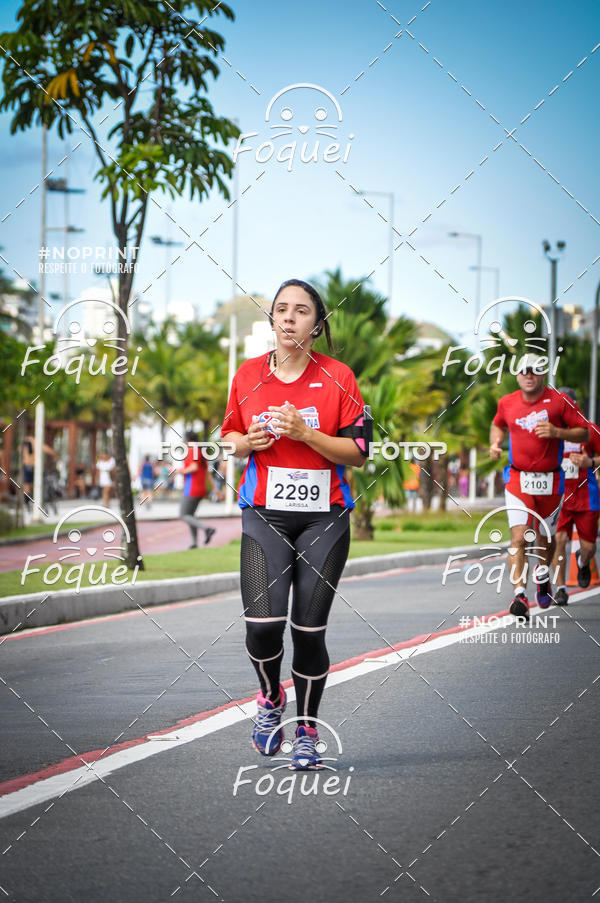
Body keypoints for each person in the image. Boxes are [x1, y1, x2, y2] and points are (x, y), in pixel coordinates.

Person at [221, 278, 371, 770]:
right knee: (263, 627)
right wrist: (246, 443)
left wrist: (307, 434)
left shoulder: (339, 378)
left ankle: (306, 730)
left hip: (324, 516)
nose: (289, 318)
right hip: (264, 512)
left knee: (308, 631)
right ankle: (269, 698)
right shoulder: (247, 375)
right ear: (272, 320)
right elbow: (228, 437)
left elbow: (359, 453)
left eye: (301, 311)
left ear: (317, 323)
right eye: (281, 309)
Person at [490, 356, 588, 618]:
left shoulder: (559, 402)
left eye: (534, 370)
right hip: (518, 481)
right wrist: (495, 444)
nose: (528, 374)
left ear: (543, 374)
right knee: (519, 537)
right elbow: (497, 424)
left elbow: (584, 433)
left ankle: (543, 578)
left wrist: (558, 433)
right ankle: (519, 595)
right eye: (524, 370)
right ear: (517, 374)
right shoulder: (507, 402)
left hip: (551, 483)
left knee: (545, 541)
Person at [552, 387, 600, 605]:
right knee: (559, 540)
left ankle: (583, 561)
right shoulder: (551, 432)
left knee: (589, 547)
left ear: (576, 405)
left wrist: (590, 462)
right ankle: (561, 589)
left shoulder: (589, 430)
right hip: (559, 498)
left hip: (586, 497)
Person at [177, 431, 216, 548]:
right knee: (190, 515)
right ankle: (194, 543)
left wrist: (180, 471)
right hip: (200, 488)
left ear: (187, 440)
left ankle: (207, 529)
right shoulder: (200, 451)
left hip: (192, 488)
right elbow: (207, 473)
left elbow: (193, 467)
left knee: (183, 515)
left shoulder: (191, 450)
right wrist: (215, 489)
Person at [21, 434, 57, 507]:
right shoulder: (36, 442)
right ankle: (33, 499)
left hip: (27, 466)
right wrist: (56, 456)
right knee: (35, 483)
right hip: (34, 466)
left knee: (27, 484)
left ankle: (27, 501)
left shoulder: (24, 443)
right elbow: (48, 450)